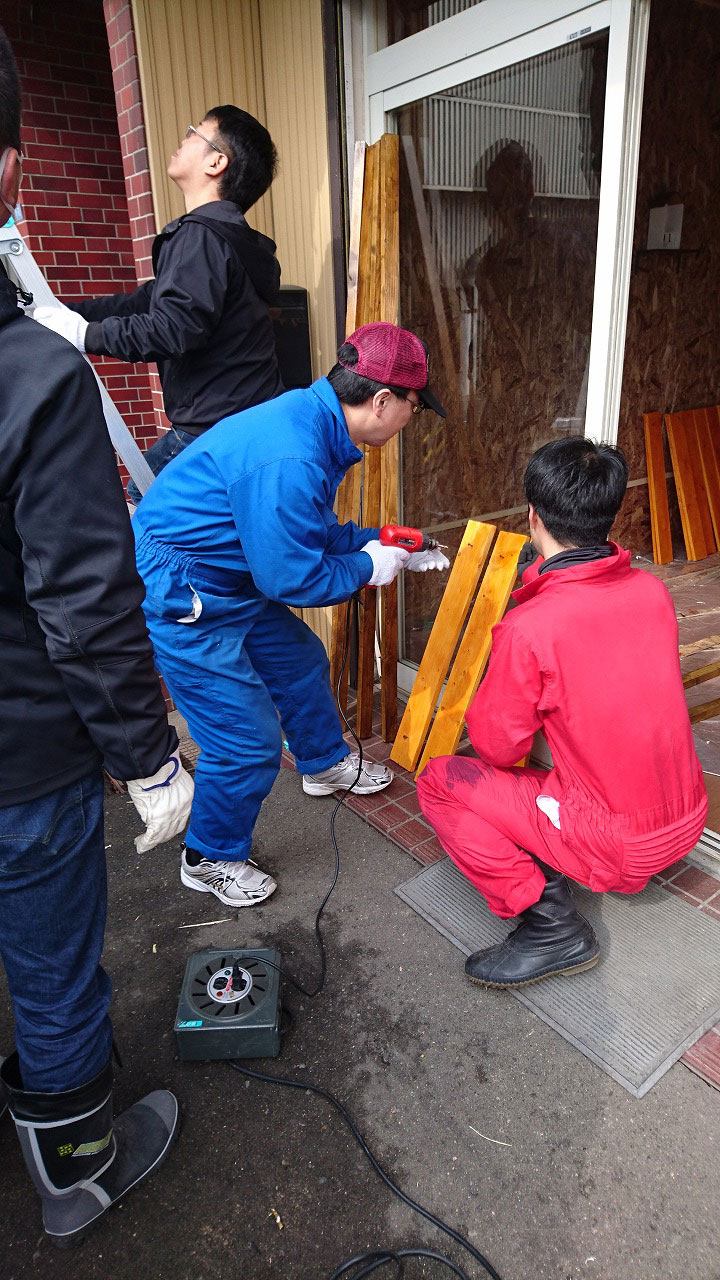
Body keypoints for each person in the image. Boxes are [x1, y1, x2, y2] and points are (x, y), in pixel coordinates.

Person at [0, 28, 193, 1246]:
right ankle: (76, 1163)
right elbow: (84, 600)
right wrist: (151, 757)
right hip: (22, 760)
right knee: (55, 967)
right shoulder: (29, 376)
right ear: (12, 170)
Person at [131, 321, 449, 908]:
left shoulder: (314, 423)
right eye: (416, 406)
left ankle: (322, 763)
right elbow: (289, 578)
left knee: (299, 660)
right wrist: (367, 567)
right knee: (245, 741)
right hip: (189, 590)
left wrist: (377, 541)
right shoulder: (293, 451)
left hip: (231, 570)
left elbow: (304, 531)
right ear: (383, 400)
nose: (414, 417)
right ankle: (208, 856)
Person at [417, 437, 708, 988]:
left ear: (533, 516)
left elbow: (496, 748)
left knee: (440, 781)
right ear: (609, 513)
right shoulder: (653, 591)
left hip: (616, 845)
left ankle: (551, 927)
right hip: (686, 820)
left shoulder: (531, 627)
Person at [33, 105, 283, 503]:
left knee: (143, 497)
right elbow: (145, 302)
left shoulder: (201, 237)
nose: (183, 139)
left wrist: (84, 335)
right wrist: (67, 314)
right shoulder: (225, 239)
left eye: (194, 133)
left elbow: (172, 329)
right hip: (247, 421)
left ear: (217, 162)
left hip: (217, 429)